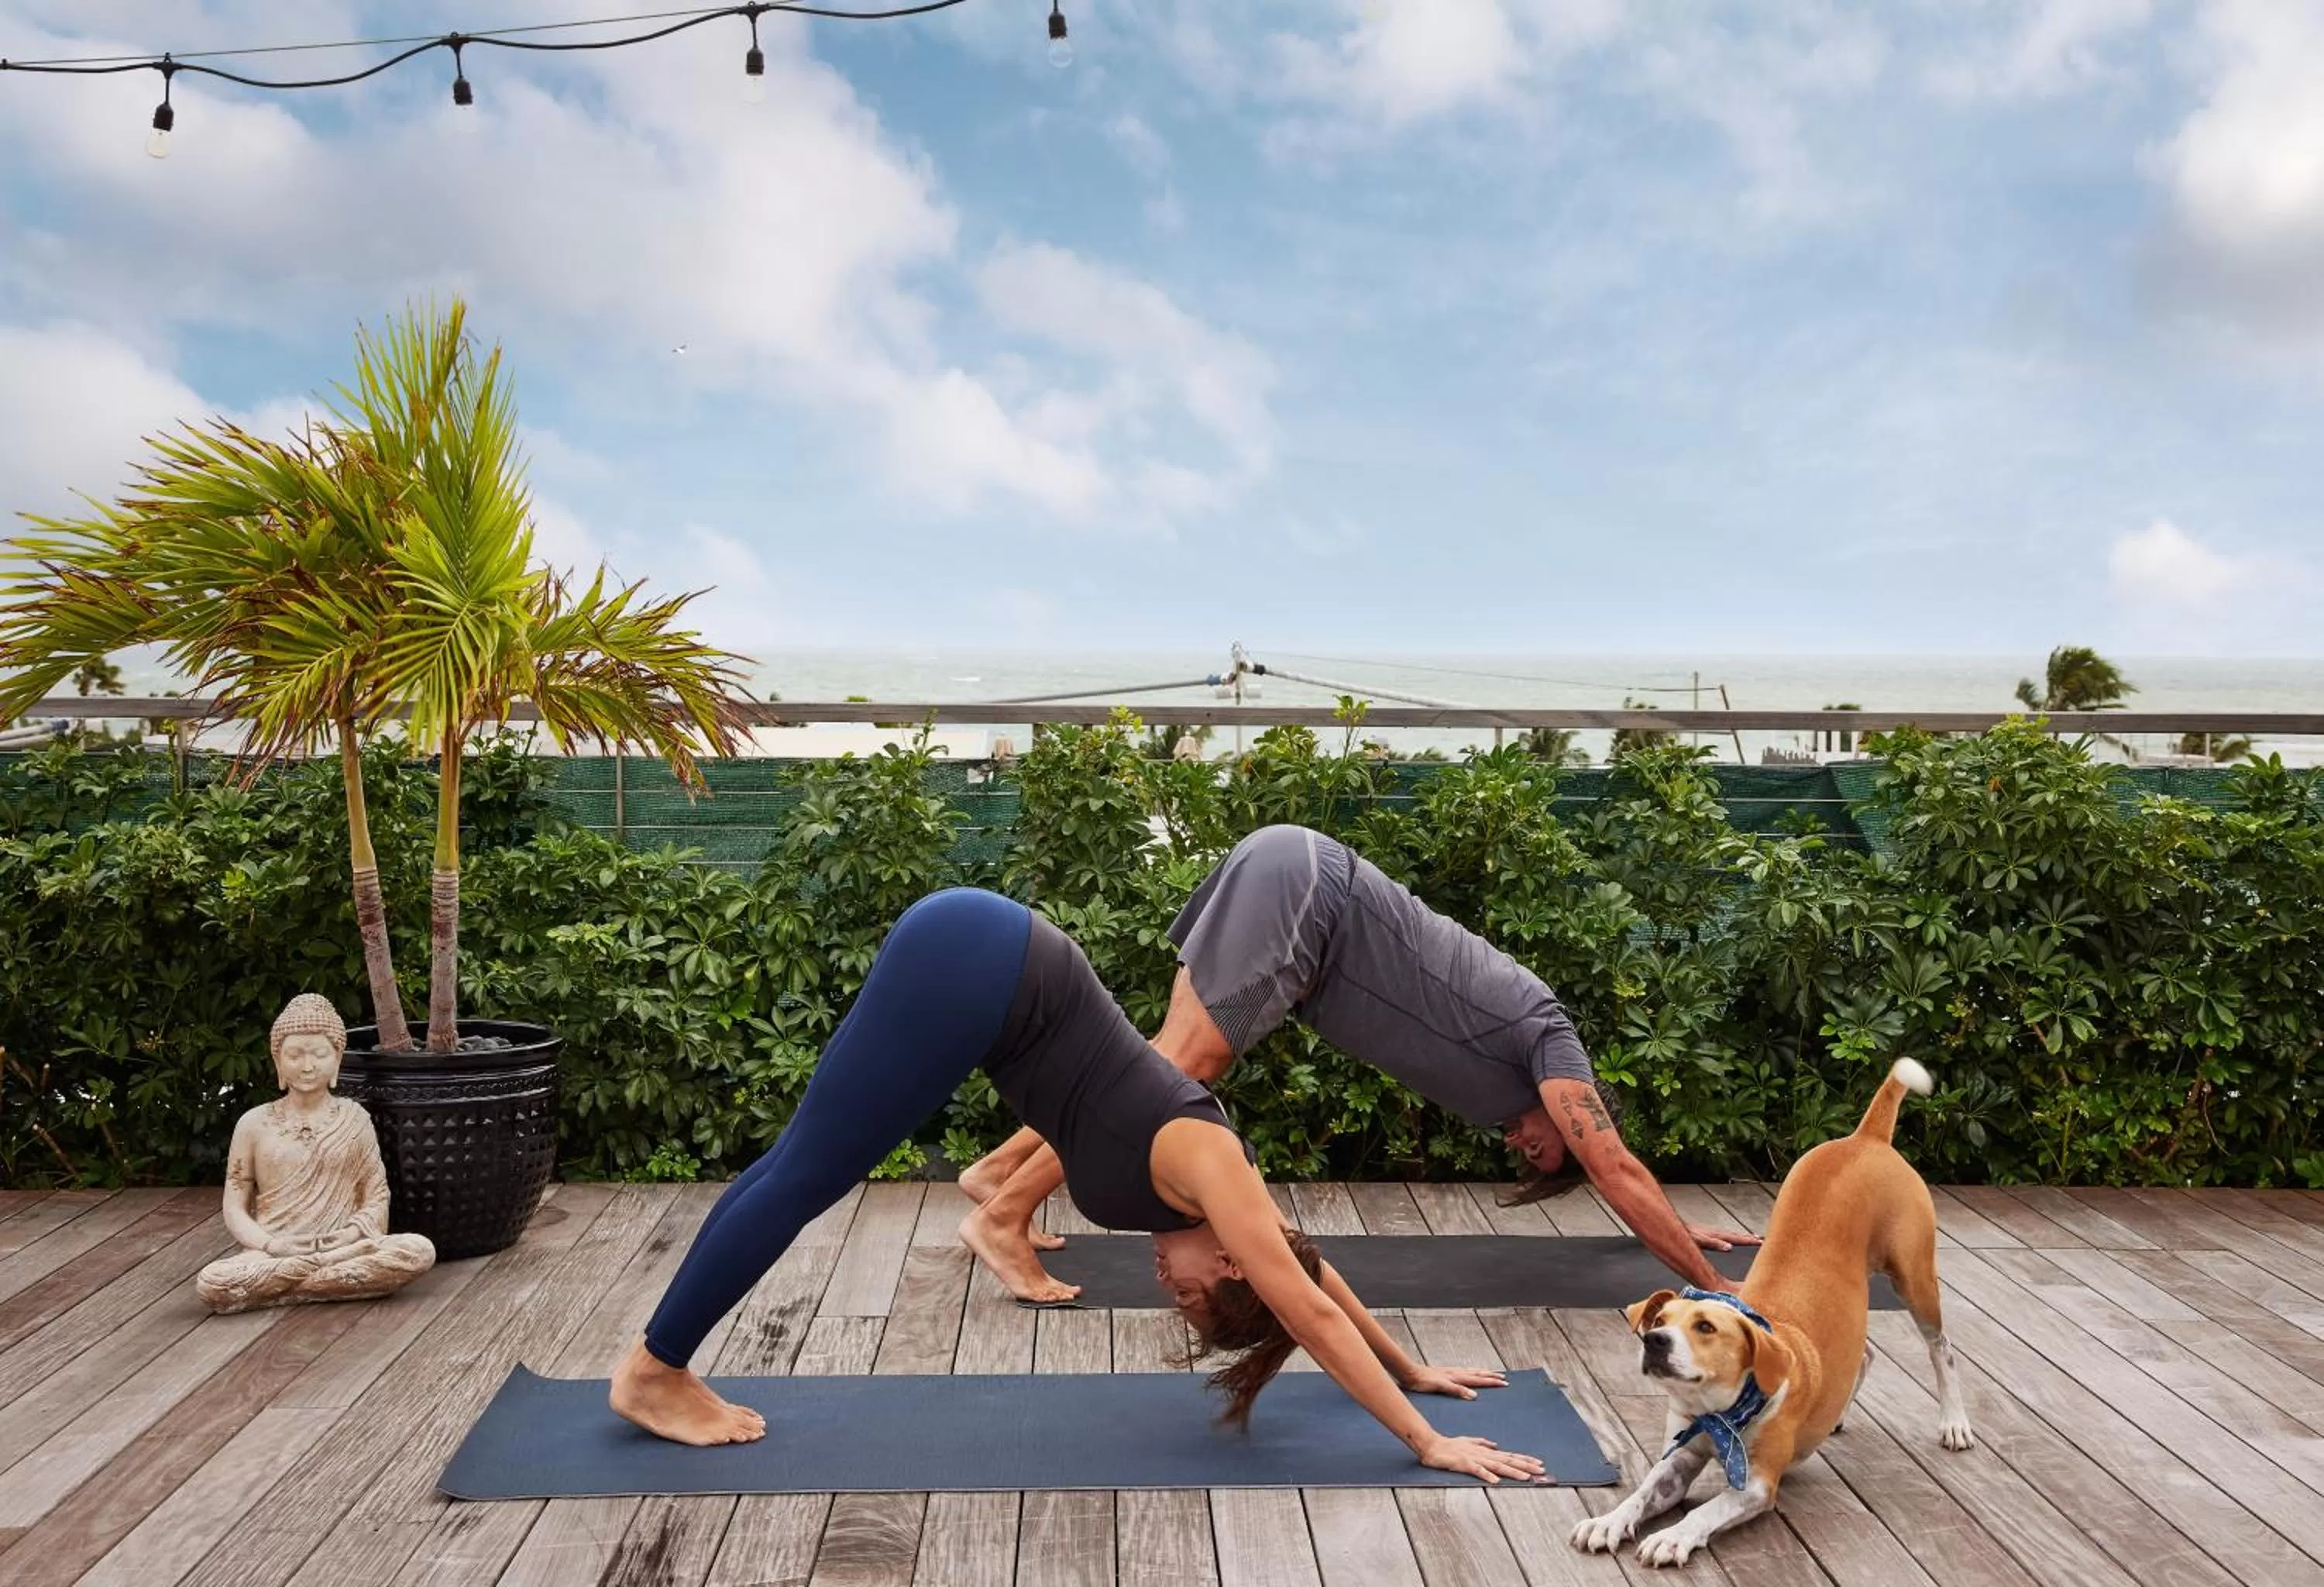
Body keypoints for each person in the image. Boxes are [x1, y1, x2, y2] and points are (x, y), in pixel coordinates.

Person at [610, 886, 1547, 1485]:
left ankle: (661, 1363)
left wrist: (1411, 1366)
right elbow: (1305, 1305)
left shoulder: (1222, 1211)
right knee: (806, 1173)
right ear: (1231, 1262)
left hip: (981, 961)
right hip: (982, 965)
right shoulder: (1213, 1167)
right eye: (1190, 1292)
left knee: (796, 1166)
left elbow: (1311, 1272)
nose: (1167, 1284)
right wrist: (1426, 1440)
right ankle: (656, 1369)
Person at [961, 824, 1758, 1301]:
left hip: (1296, 884)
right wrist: (1713, 1284)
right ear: (1582, 1112)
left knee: (1151, 1069)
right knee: (1176, 1077)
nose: (1524, 1146)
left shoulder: (1504, 1081)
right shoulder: (1551, 1038)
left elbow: (1615, 1172)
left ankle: (998, 1173)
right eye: (1544, 1148)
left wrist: (1669, 1224)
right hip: (1311, 898)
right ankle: (1003, 1218)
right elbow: (1613, 1164)